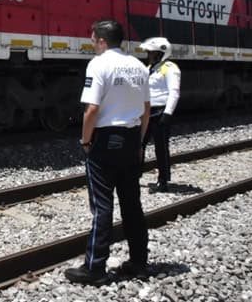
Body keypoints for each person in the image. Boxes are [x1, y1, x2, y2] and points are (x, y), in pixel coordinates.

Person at [64, 20, 151, 285]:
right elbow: (146, 110)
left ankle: (95, 268)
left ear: (101, 40)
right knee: (132, 204)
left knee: (102, 207)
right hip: (131, 138)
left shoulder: (98, 64)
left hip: (105, 141)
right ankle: (138, 262)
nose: (91, 43)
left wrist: (85, 141)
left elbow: (91, 110)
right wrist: (139, 142)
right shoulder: (138, 65)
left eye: (92, 39)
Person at [140, 37, 180, 193]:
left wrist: (167, 114)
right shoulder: (150, 68)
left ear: (160, 53)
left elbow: (174, 92)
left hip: (161, 112)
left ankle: (163, 180)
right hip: (147, 112)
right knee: (139, 144)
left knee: (161, 148)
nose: (148, 55)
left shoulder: (170, 68)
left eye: (151, 52)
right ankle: (135, 175)